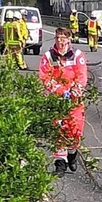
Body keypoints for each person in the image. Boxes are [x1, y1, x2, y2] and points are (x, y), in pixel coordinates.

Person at [38, 27, 89, 176]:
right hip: (57, 100)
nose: (60, 41)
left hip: (74, 100)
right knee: (59, 130)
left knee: (75, 130)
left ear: (69, 39)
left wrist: (75, 90)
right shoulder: (49, 56)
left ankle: (72, 154)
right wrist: (59, 90)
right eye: (58, 38)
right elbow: (45, 77)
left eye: (63, 38)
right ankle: (60, 164)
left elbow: (82, 76)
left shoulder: (77, 55)